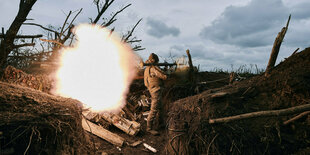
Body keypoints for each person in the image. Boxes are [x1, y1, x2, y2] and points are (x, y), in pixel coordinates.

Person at [144, 53, 168, 135]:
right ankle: (149, 128)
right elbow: (164, 77)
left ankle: (160, 124)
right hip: (156, 91)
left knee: (160, 108)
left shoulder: (147, 68)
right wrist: (167, 70)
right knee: (154, 110)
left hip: (153, 89)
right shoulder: (153, 69)